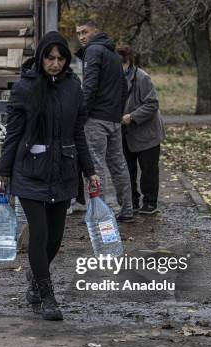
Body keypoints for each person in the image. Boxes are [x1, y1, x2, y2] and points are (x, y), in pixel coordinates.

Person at [0, 32, 100, 321]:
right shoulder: (24, 89)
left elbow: (79, 134)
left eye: (60, 58)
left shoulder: (73, 89)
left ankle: (35, 276)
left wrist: (90, 171)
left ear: (66, 60)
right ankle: (47, 295)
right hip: (30, 171)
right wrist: (2, 172)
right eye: (49, 57)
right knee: (38, 232)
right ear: (40, 58)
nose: (55, 63)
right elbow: (13, 134)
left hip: (64, 170)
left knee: (54, 238)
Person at [75, 20, 134, 222]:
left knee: (95, 166)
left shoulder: (93, 51)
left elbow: (89, 87)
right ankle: (127, 210)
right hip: (113, 120)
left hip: (96, 120)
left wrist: (81, 114)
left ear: (95, 31)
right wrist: (117, 112)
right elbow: (124, 88)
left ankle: (97, 215)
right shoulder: (113, 54)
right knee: (118, 164)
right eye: (78, 34)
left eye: (85, 32)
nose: (81, 37)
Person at [117, 45, 166, 214]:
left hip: (147, 133)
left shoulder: (142, 77)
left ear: (127, 62)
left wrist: (132, 116)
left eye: (120, 64)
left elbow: (152, 103)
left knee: (148, 170)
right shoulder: (113, 78)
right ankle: (131, 202)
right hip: (125, 133)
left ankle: (150, 202)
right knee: (126, 170)